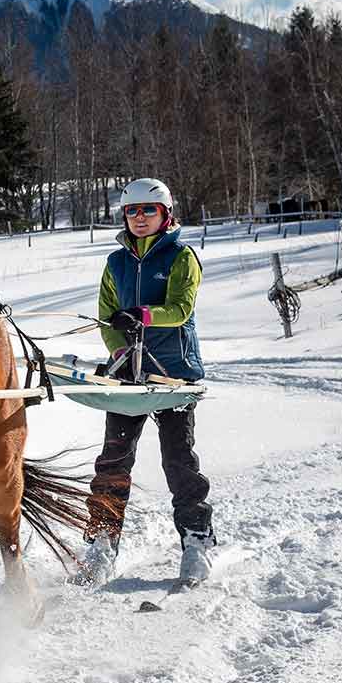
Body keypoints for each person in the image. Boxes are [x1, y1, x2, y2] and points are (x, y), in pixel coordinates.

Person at [78, 177, 216, 587]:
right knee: (113, 462)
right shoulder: (115, 262)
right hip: (128, 375)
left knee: (178, 461)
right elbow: (108, 316)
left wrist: (143, 314)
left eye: (148, 210)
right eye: (132, 211)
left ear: (165, 214)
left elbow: (180, 308)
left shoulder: (181, 256)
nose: (139, 218)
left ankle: (196, 543)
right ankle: (102, 544)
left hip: (173, 372)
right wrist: (120, 351)